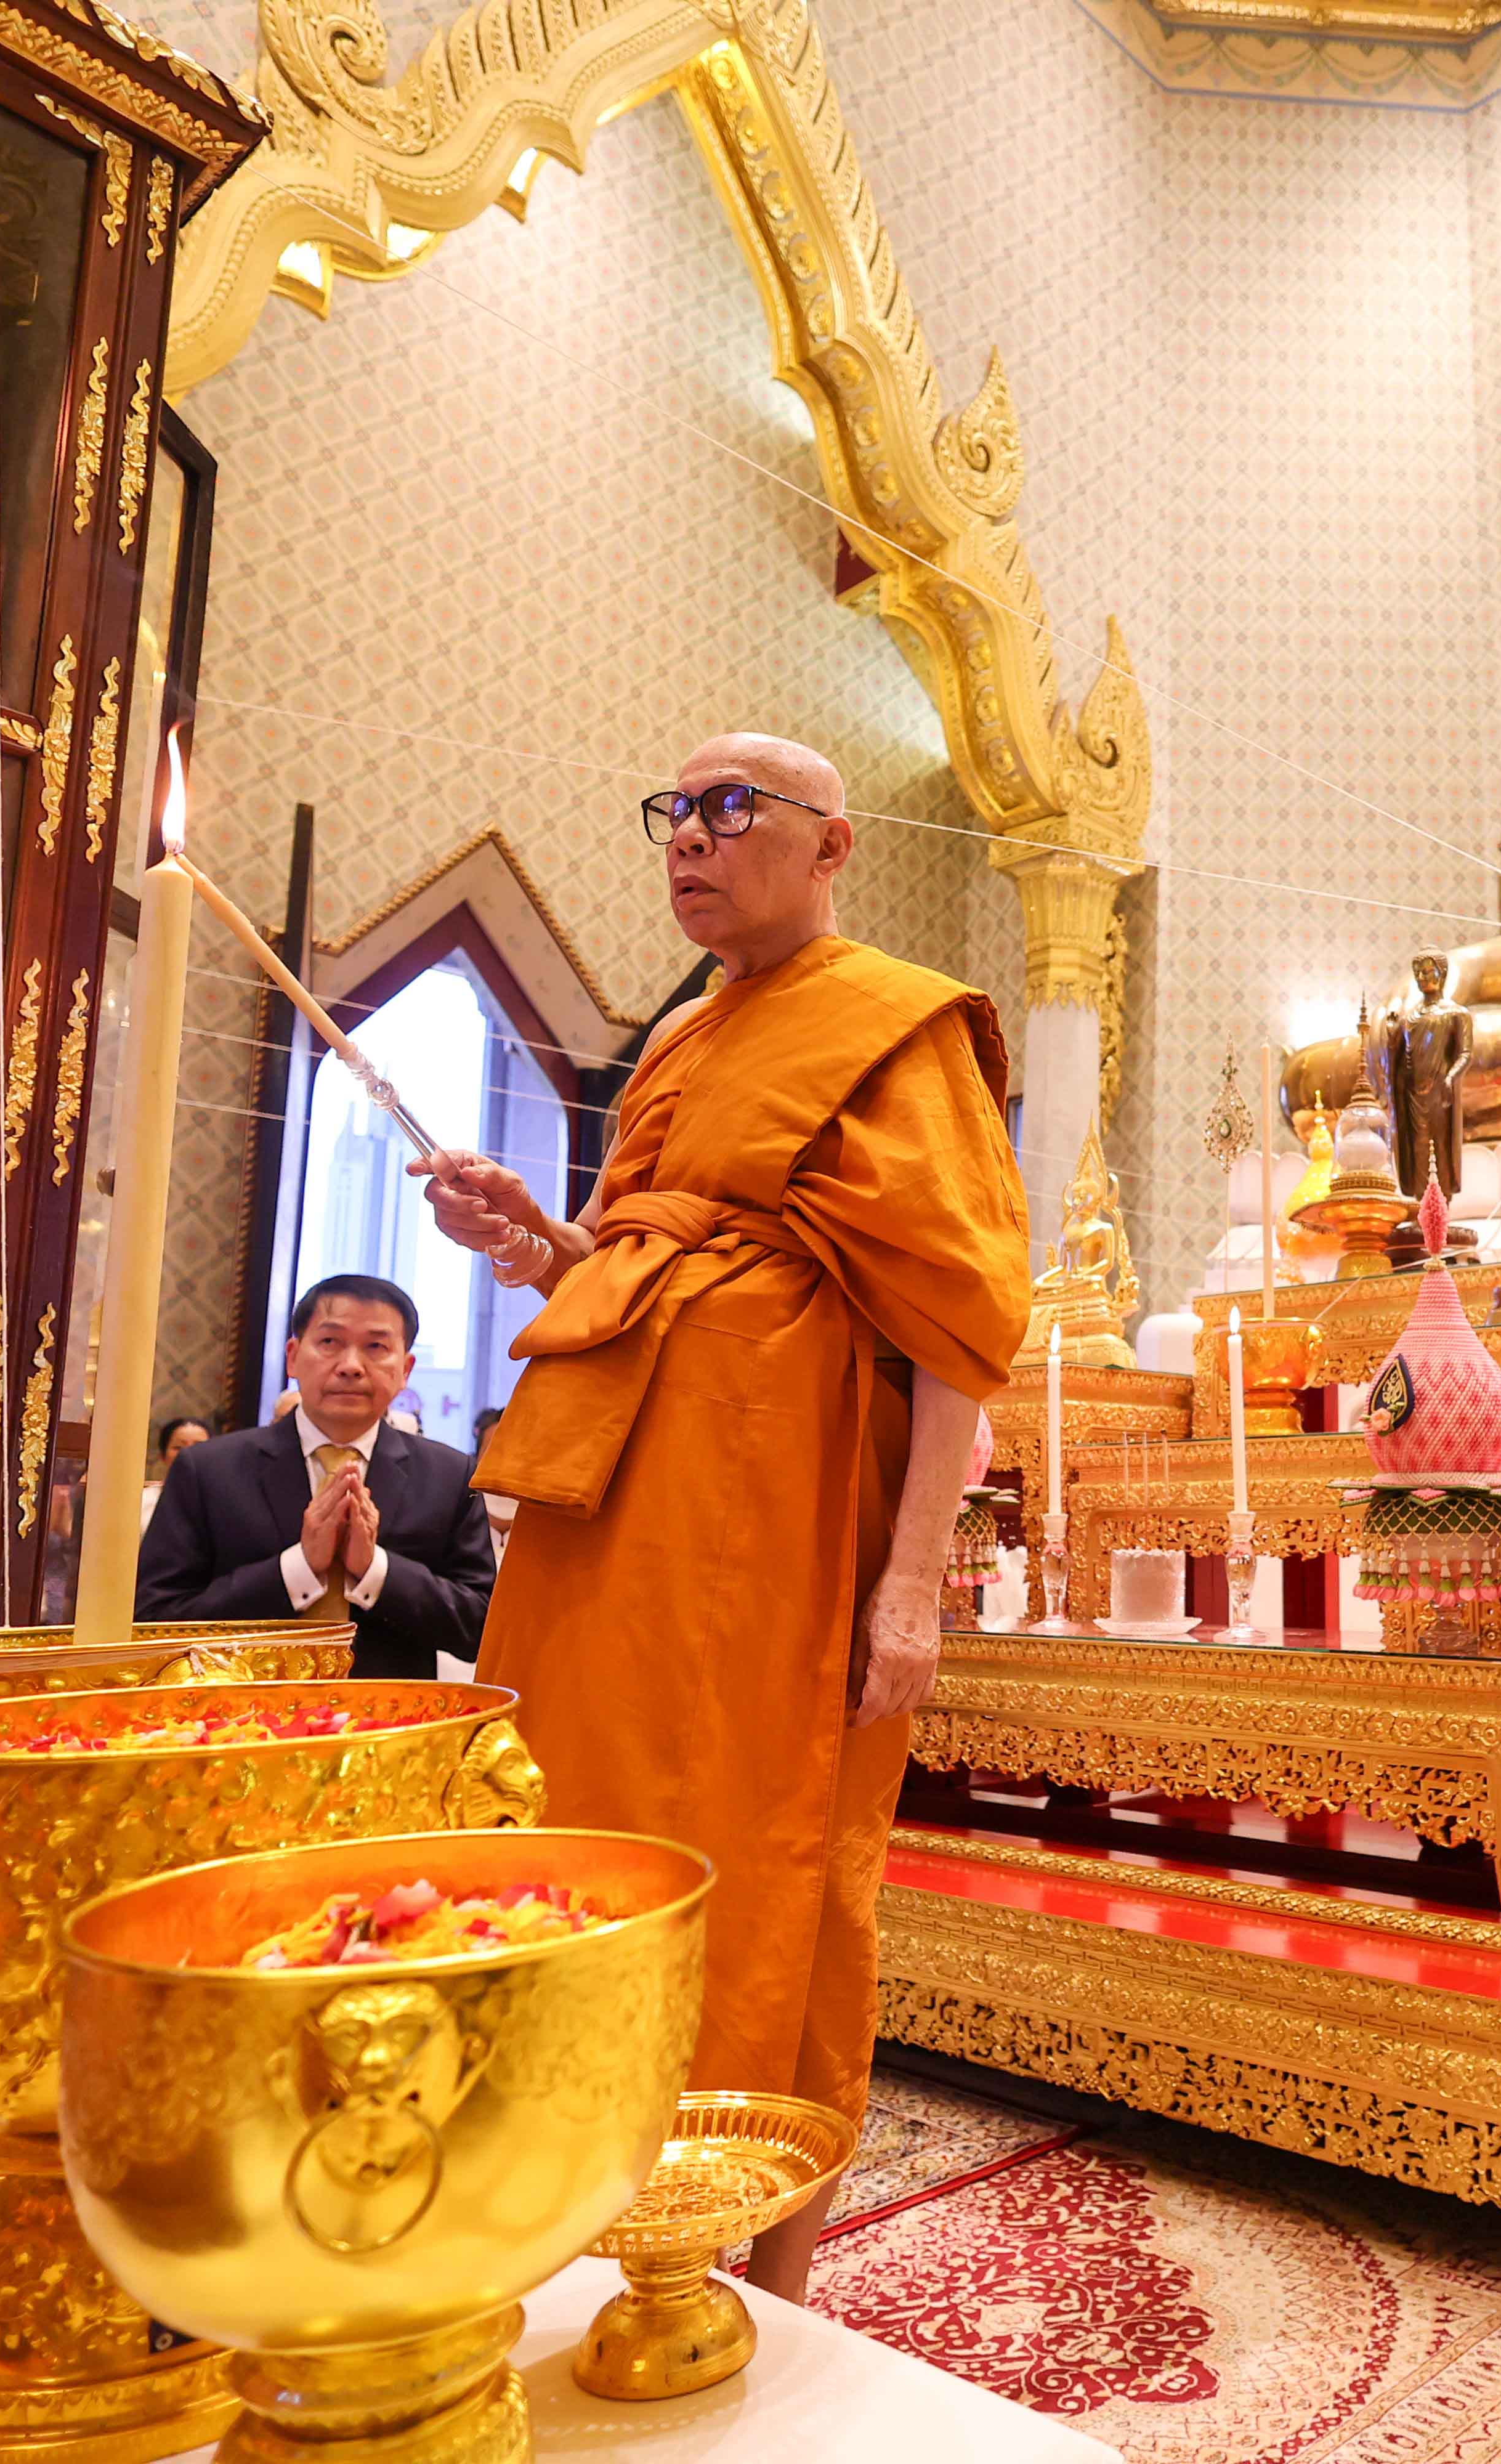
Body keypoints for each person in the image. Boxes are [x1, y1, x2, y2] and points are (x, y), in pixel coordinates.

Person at [413, 731, 1027, 2303]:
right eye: (672, 811)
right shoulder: (683, 1035)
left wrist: (913, 1589)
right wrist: (546, 1245)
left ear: (833, 848)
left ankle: (759, 2257)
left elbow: (958, 1324)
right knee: (573, 1820)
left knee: (769, 1856)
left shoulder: (897, 1024)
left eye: (730, 809)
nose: (689, 837)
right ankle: (566, 2189)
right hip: (608, 1515)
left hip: (783, 1520)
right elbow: (654, 1265)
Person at [136, 1275, 500, 1676]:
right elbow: (157, 1623)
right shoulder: (207, 1470)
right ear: (293, 1356)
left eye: (376, 1347)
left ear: (406, 1368)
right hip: (240, 1721)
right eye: (330, 1343)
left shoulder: (450, 1476)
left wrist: (375, 1569)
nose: (350, 1367)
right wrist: (299, 1568)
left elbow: (481, 1630)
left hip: (389, 1725)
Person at [466, 1405, 517, 1564]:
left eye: (516, 1456)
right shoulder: (455, 1536)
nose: (506, 1467)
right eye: (494, 1454)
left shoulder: (552, 1538)